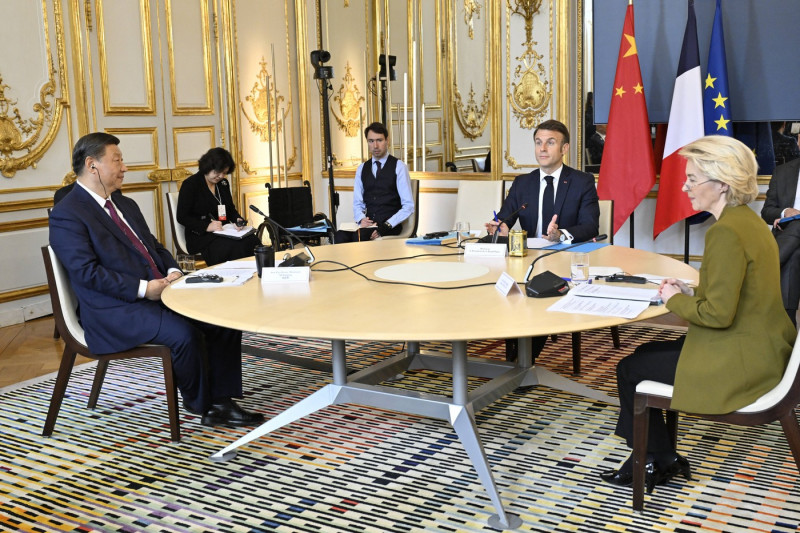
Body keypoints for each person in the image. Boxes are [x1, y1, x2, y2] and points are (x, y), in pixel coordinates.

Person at [600, 135, 795, 492]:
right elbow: (739, 293)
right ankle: (661, 456)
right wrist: (693, 291)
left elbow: (718, 315)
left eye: (692, 179)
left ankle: (653, 458)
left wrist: (674, 298)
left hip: (740, 361)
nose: (685, 187)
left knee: (628, 368)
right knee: (644, 354)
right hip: (762, 347)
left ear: (721, 184)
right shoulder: (748, 222)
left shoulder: (725, 232)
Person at [49, 132, 264, 428]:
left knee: (221, 319)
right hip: (113, 309)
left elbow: (156, 247)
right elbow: (87, 274)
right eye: (117, 160)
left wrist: (173, 270)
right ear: (92, 165)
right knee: (184, 335)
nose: (124, 167)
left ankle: (221, 400)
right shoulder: (67, 214)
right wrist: (143, 289)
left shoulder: (125, 204)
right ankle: (203, 405)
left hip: (160, 292)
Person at [485, 119, 599, 363]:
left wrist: (562, 234)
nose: (542, 149)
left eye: (550, 142)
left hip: (562, 259)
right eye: (538, 143)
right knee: (503, 291)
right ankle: (515, 355)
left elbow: (591, 225)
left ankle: (522, 362)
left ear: (564, 149)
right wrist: (500, 226)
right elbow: (506, 217)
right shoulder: (522, 183)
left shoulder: (582, 182)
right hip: (524, 259)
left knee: (537, 295)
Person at [176, 147, 260, 265]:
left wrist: (237, 220)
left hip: (224, 231)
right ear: (207, 166)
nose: (220, 176)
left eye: (224, 173)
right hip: (201, 236)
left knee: (252, 240)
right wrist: (206, 226)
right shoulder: (190, 185)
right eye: (217, 171)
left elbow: (230, 209)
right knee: (234, 246)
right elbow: (182, 216)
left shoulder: (223, 184)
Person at [334, 122, 415, 242]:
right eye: (371, 141)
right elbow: (357, 202)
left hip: (391, 225)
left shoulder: (399, 167)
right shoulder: (362, 168)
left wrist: (386, 226)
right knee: (339, 236)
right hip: (369, 224)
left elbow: (408, 206)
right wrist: (361, 219)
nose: (375, 146)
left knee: (358, 237)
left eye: (379, 140)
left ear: (387, 140)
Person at [761, 156, 800, 326]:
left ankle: (765, 268)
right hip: (790, 239)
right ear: (799, 141)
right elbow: (767, 212)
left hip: (786, 240)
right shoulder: (783, 171)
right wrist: (784, 213)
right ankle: (788, 322)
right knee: (794, 254)